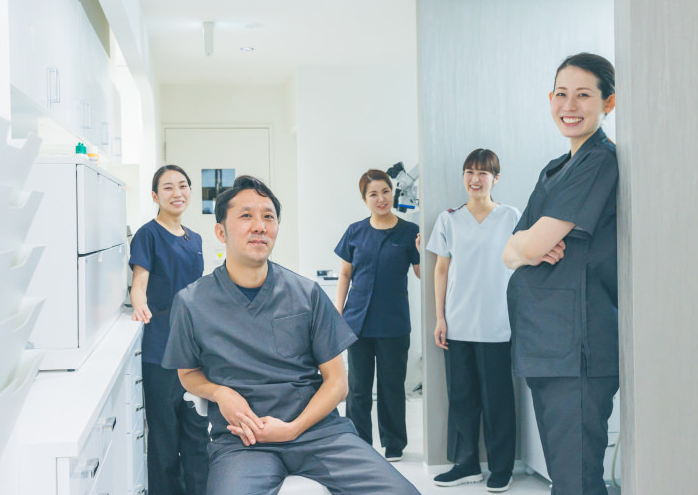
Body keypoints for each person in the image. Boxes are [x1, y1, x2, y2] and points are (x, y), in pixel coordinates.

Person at [162, 175, 420, 495]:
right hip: (242, 441)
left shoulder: (306, 294)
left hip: (319, 434)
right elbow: (187, 374)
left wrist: (293, 428)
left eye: (268, 217)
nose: (260, 226)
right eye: (246, 215)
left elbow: (337, 383)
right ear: (220, 232)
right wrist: (219, 393)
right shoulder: (192, 303)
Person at [502, 53, 618, 495]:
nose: (569, 105)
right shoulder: (555, 169)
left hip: (576, 349)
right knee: (565, 480)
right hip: (546, 344)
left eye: (584, 94)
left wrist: (525, 246)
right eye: (562, 94)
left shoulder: (599, 162)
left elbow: (526, 246)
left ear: (608, 103)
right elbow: (509, 253)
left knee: (576, 482)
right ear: (550, 98)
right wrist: (523, 246)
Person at [427, 149, 519, 492]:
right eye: (469, 172)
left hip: (497, 324)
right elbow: (441, 269)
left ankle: (501, 468)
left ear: (496, 178)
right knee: (461, 398)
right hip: (457, 323)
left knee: (498, 402)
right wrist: (440, 317)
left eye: (483, 173)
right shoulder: (448, 219)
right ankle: (465, 464)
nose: (475, 179)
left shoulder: (511, 217)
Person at [129, 165, 209, 495]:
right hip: (160, 345)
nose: (177, 193)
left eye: (182, 186)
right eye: (168, 188)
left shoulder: (195, 239)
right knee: (164, 436)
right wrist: (138, 305)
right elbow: (139, 283)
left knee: (197, 432)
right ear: (155, 196)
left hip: (195, 347)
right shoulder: (148, 235)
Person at [334, 169, 420, 462]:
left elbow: (420, 274)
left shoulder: (409, 231)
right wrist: (338, 313)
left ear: (392, 193)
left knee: (391, 386)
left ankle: (394, 442)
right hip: (357, 321)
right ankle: (359, 442)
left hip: (393, 322)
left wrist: (422, 253)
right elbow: (345, 274)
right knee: (358, 387)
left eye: (385, 191)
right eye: (373, 194)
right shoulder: (355, 231)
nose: (381, 198)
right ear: (364, 199)